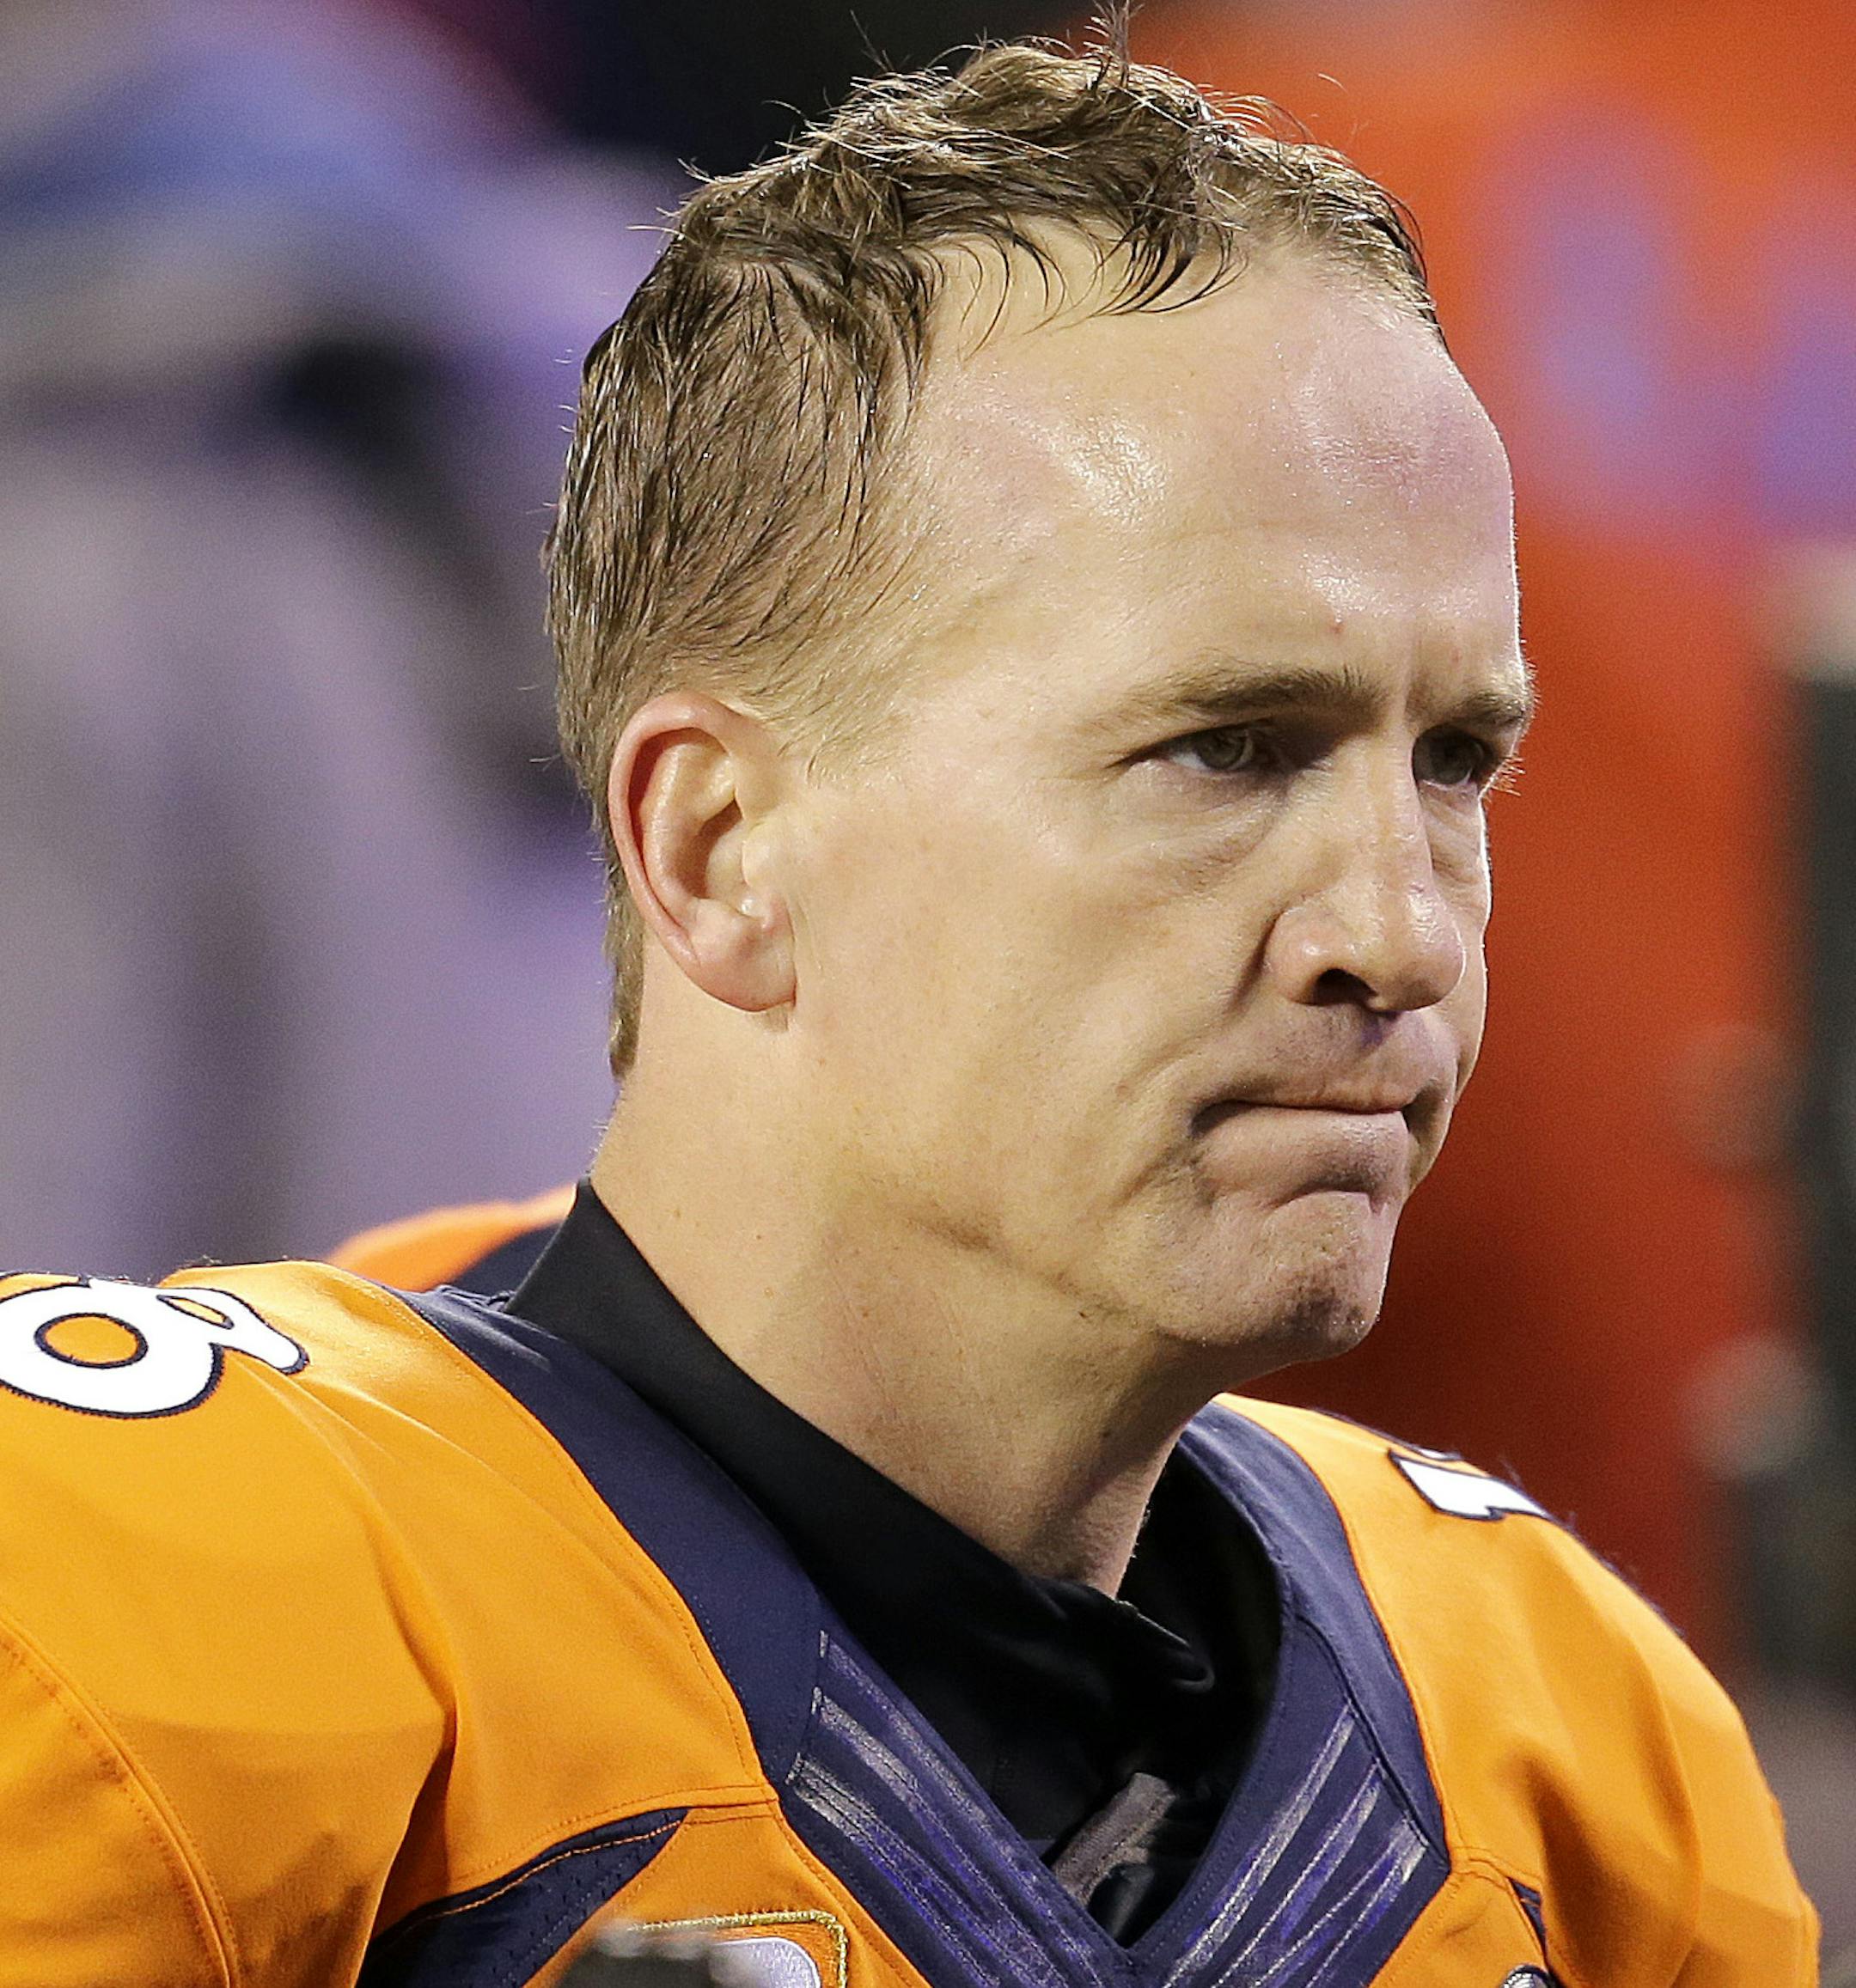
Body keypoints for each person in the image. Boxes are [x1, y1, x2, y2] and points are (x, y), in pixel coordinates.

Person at [0, 34, 1817, 1988]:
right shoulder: (136, 1621)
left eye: (1455, 759)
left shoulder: (1567, 1736)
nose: (1398, 929)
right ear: (714, 849)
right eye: (1225, 748)